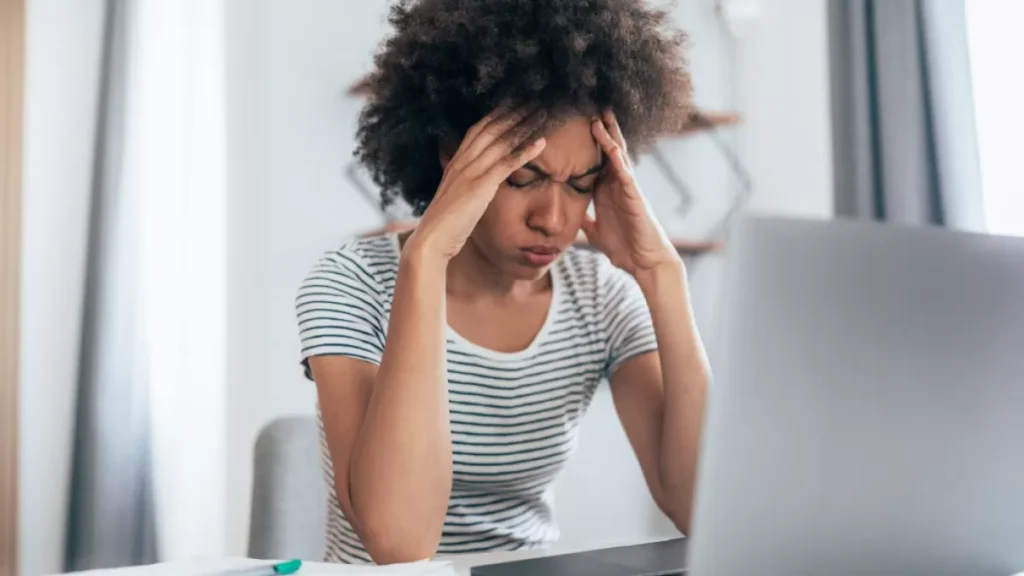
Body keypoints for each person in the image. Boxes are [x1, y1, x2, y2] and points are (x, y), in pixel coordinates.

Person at [295, 0, 709, 565]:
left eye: (581, 184)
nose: (553, 219)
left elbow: (703, 509)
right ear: (452, 159)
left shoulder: (599, 297)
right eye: (522, 178)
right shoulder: (353, 284)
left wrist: (663, 276)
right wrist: (426, 260)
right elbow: (400, 543)